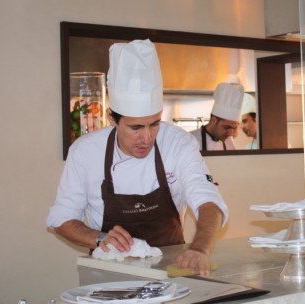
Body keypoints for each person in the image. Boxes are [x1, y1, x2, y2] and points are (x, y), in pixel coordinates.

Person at [46, 39, 228, 276]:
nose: (147, 137)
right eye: (135, 128)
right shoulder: (85, 151)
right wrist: (99, 238)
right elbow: (62, 218)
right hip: (106, 275)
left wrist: (200, 249)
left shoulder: (179, 143)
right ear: (112, 118)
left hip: (171, 271)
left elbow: (209, 203)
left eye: (154, 124)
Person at [189, 83, 244, 151]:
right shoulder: (190, 140)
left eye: (234, 128)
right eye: (226, 127)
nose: (230, 133)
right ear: (214, 121)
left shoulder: (229, 142)